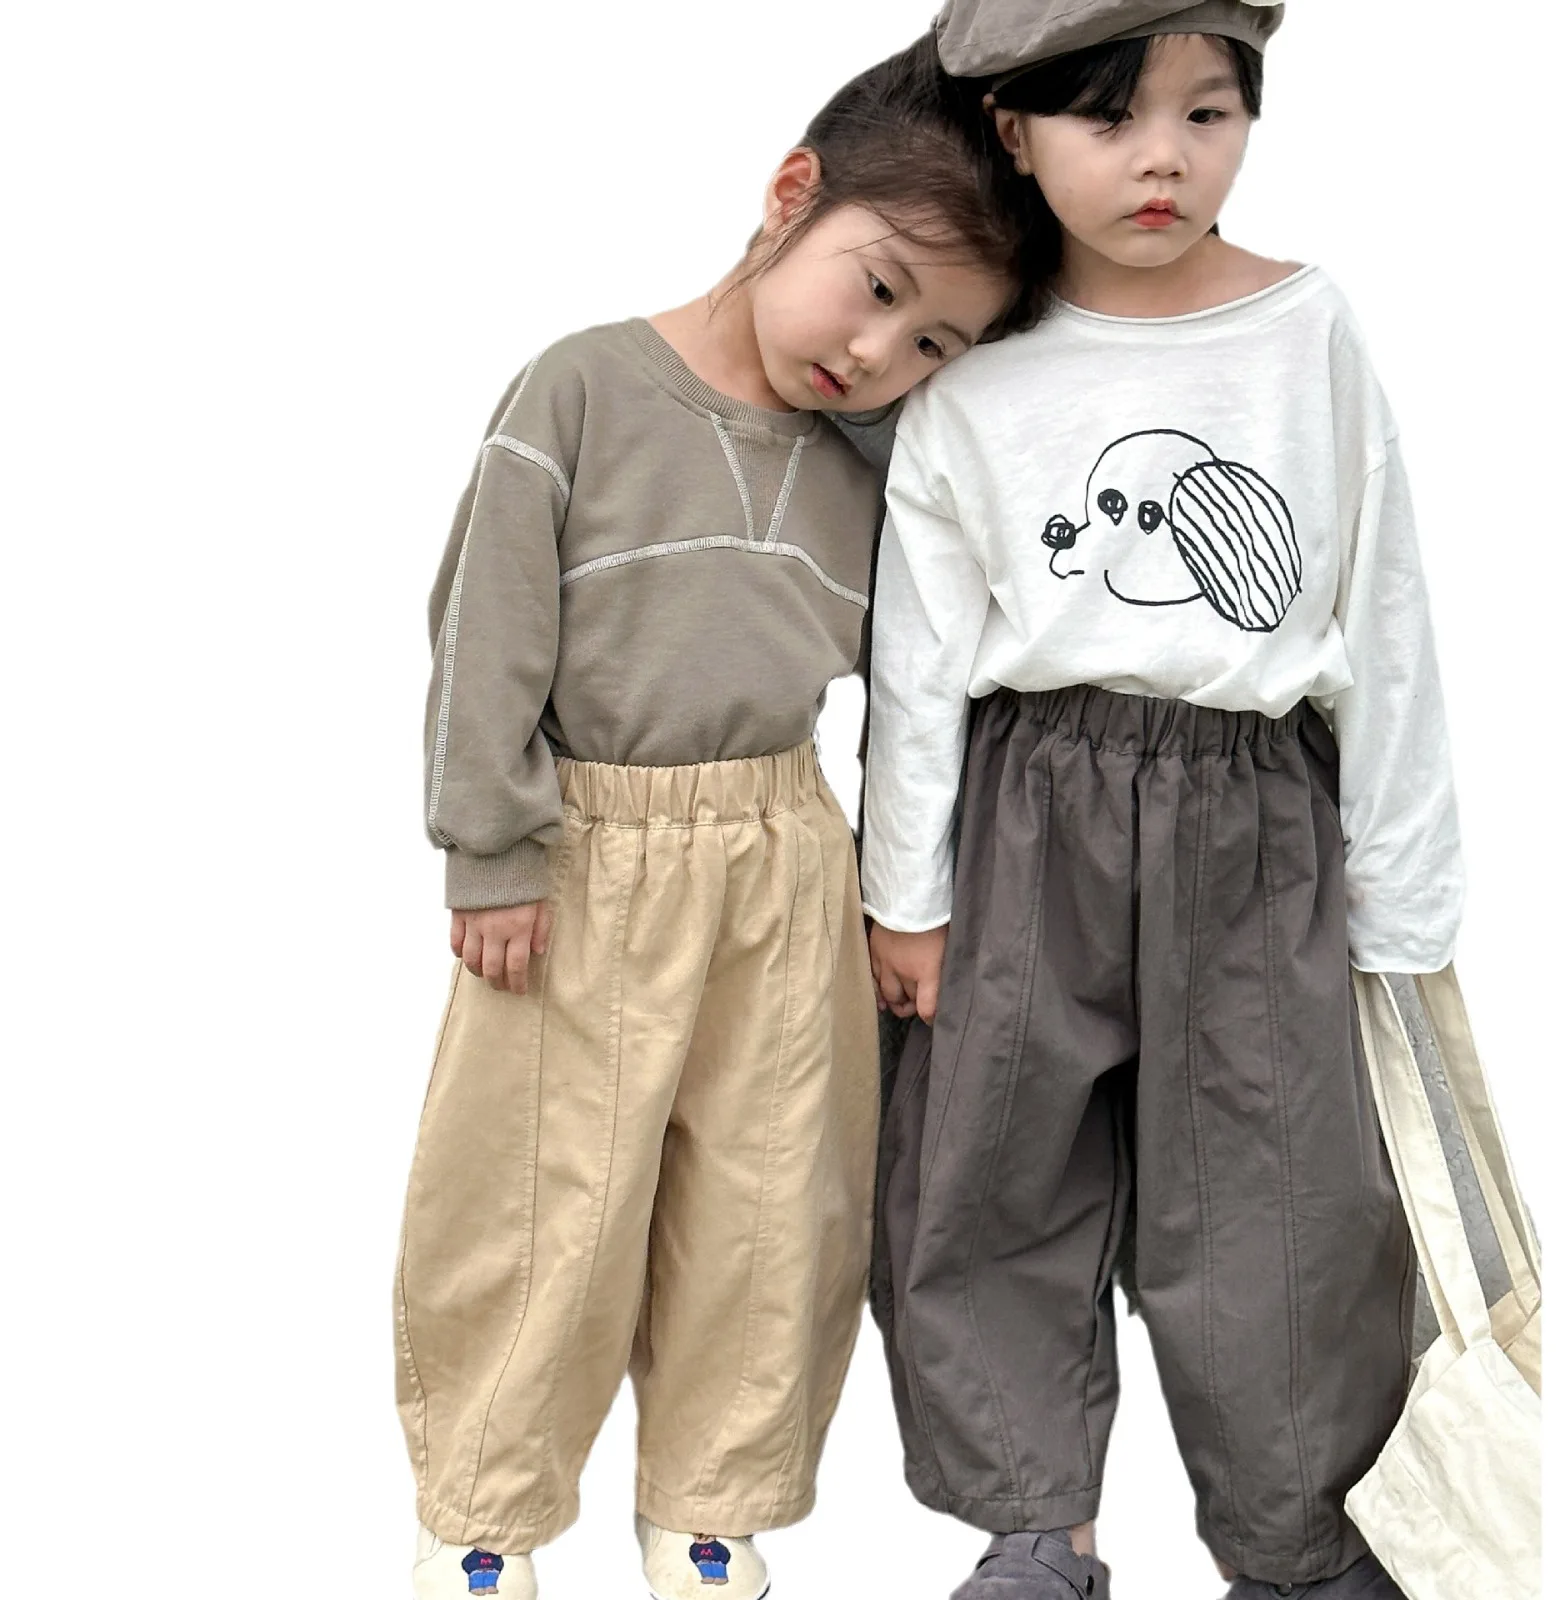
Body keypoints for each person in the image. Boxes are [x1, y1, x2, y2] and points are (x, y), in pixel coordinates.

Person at [395, 34, 1030, 1600]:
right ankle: (485, 1502)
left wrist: (906, 892)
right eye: (876, 290)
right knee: (543, 1191)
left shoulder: (876, 472)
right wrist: (491, 846)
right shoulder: (585, 386)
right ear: (790, 194)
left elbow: (924, 683)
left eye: (935, 343)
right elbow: (485, 627)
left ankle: (710, 1500)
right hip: (586, 849)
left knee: (772, 1191)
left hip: (782, 853)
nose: (879, 354)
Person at [861, 4, 1460, 1597]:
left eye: (1208, 113)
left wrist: (1404, 905)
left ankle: (1299, 1538)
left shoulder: (1306, 328)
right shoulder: (974, 354)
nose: (1163, 161)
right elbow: (919, 648)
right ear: (1014, 132)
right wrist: (905, 894)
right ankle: (1034, 1524)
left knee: (1282, 1184)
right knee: (992, 1158)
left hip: (1255, 811)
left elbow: (1384, 613)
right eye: (1111, 119)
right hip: (1030, 804)